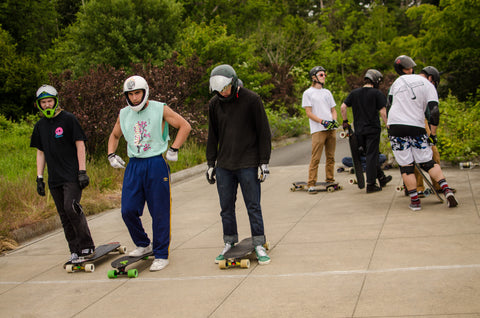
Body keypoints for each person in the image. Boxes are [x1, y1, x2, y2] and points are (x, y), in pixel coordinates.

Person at [107, 75, 191, 271]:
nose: (135, 98)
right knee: (128, 210)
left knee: (159, 211)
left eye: (137, 93)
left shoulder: (159, 108)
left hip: (155, 163)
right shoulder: (124, 113)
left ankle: (161, 254)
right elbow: (114, 134)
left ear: (145, 92)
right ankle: (144, 245)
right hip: (134, 165)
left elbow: (184, 126)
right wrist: (111, 154)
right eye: (130, 94)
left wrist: (174, 148)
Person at [206, 64, 272, 265]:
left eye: (225, 88)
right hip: (225, 164)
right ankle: (229, 241)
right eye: (218, 89)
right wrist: (211, 163)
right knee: (226, 207)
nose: (222, 92)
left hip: (248, 162)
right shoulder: (214, 104)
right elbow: (213, 135)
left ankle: (259, 243)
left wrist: (264, 162)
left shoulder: (252, 100)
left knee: (253, 205)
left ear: (233, 83)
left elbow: (263, 132)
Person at [30, 84, 95, 262]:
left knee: (71, 207)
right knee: (63, 214)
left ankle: (86, 245)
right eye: (43, 102)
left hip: (72, 175)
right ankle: (74, 249)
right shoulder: (40, 126)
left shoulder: (68, 119)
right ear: (38, 104)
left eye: (49, 101)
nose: (46, 105)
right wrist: (39, 178)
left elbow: (80, 143)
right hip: (55, 178)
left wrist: (82, 171)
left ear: (56, 101)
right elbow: (40, 152)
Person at [387, 55, 458, 211]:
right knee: (428, 162)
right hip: (417, 126)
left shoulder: (395, 83)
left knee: (406, 166)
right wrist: (432, 135)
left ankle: (415, 201)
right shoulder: (427, 84)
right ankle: (446, 190)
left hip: (396, 126)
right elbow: (434, 112)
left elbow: (389, 106)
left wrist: (388, 128)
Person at [341, 69, 392, 193]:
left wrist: (345, 121)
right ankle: (371, 184)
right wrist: (389, 126)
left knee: (369, 155)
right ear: (375, 81)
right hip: (372, 129)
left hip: (359, 130)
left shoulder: (354, 93)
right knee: (371, 155)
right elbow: (383, 113)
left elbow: (343, 107)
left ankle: (381, 178)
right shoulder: (377, 93)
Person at [302, 66, 338, 193]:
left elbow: (333, 110)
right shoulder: (308, 93)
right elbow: (309, 113)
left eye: (324, 75)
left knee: (331, 157)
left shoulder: (327, 92)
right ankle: (311, 183)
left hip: (331, 129)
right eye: (321, 75)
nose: (324, 77)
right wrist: (323, 121)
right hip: (318, 129)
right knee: (316, 158)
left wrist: (333, 120)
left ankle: (330, 180)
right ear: (314, 77)